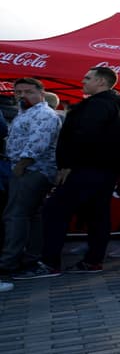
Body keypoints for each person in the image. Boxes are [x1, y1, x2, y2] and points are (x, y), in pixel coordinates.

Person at [30, 66, 120, 276]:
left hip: (86, 169)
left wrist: (67, 164)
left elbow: (83, 136)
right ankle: (92, 261)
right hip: (103, 170)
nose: (83, 81)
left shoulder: (97, 105)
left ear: (101, 82)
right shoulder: (114, 106)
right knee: (97, 215)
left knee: (55, 211)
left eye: (88, 78)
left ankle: (49, 262)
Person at [2, 78, 62, 280]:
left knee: (16, 216)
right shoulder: (25, 112)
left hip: (32, 170)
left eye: (28, 92)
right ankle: (29, 259)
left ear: (41, 93)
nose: (22, 96)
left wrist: (20, 167)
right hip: (27, 170)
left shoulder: (44, 114)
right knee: (30, 216)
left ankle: (9, 262)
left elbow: (38, 144)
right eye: (18, 92)